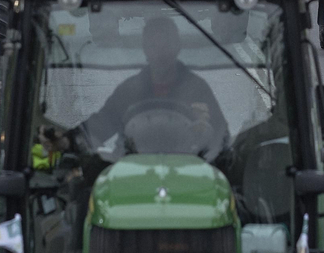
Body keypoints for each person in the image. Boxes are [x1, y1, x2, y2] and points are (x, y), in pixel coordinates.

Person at [86, 16, 227, 155]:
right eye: (153, 46)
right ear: (145, 50)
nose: (160, 53)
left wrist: (205, 127)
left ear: (177, 47)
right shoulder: (128, 90)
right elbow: (100, 126)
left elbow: (221, 139)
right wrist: (71, 139)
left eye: (166, 45)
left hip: (186, 168)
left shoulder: (197, 88)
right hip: (131, 168)